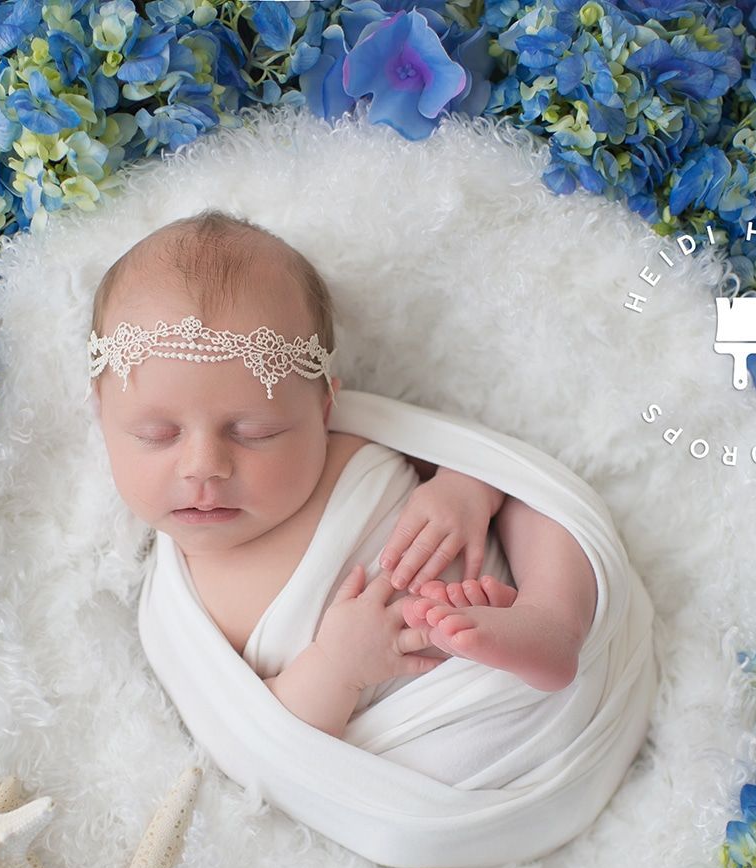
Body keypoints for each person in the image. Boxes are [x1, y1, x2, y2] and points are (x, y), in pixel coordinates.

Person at [88, 209, 599, 738]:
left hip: (518, 616)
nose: (203, 467)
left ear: (324, 410)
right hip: (434, 738)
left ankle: (551, 620)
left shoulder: (354, 442)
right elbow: (264, 739)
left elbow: (488, 457)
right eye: (156, 435)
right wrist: (338, 666)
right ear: (102, 415)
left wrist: (466, 487)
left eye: (255, 431)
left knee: (537, 497)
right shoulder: (176, 616)